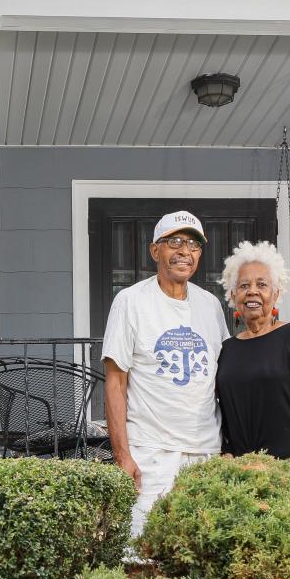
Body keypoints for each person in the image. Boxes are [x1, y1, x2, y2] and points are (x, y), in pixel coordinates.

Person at [103, 211, 229, 537]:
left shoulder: (211, 306)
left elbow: (226, 379)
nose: (185, 251)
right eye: (174, 242)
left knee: (201, 557)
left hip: (207, 455)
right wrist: (123, 456)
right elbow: (115, 383)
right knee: (142, 555)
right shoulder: (130, 302)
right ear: (155, 250)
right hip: (151, 456)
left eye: (193, 244)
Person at [215, 240, 290, 476]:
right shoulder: (227, 349)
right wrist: (227, 459)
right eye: (244, 285)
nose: (252, 291)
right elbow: (224, 416)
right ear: (233, 294)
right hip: (242, 477)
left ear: (276, 294)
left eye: (262, 284)